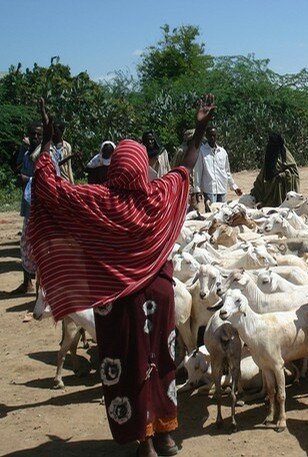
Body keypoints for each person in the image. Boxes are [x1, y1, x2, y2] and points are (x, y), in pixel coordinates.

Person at [28, 94, 217, 457]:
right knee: (161, 361)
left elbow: (48, 187)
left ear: (114, 170)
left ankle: (143, 441)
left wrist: (48, 143)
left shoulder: (97, 201)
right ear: (144, 167)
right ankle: (165, 435)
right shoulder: (159, 196)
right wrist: (200, 126)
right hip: (159, 299)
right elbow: (187, 165)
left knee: (127, 366)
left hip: (117, 303)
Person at [11, 122, 42, 294]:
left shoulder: (44, 155)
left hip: (39, 208)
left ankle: (39, 287)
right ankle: (27, 282)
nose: (35, 137)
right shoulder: (28, 152)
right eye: (32, 134)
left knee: (36, 246)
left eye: (38, 134)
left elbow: (49, 180)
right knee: (25, 245)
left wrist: (28, 180)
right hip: (29, 205)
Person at [193, 126, 242, 203]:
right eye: (210, 135)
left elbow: (227, 172)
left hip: (222, 189)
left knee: (223, 213)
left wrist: (234, 187)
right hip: (209, 190)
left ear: (217, 136)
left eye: (214, 135)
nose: (212, 137)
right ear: (206, 136)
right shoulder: (202, 151)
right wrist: (198, 189)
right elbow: (198, 172)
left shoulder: (222, 152)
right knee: (211, 214)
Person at [250, 133, 300, 207]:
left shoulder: (285, 155)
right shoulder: (269, 155)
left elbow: (294, 172)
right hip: (269, 189)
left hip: (282, 189)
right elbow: (262, 176)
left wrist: (283, 175)